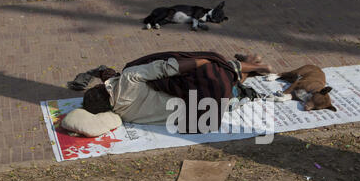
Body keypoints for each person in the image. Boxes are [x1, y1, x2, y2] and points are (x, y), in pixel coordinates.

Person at [81, 51, 272, 130]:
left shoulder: (127, 117)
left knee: (226, 86)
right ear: (103, 87)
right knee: (212, 69)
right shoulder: (128, 78)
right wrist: (204, 61)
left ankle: (248, 68)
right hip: (211, 92)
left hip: (214, 110)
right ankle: (252, 65)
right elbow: (166, 67)